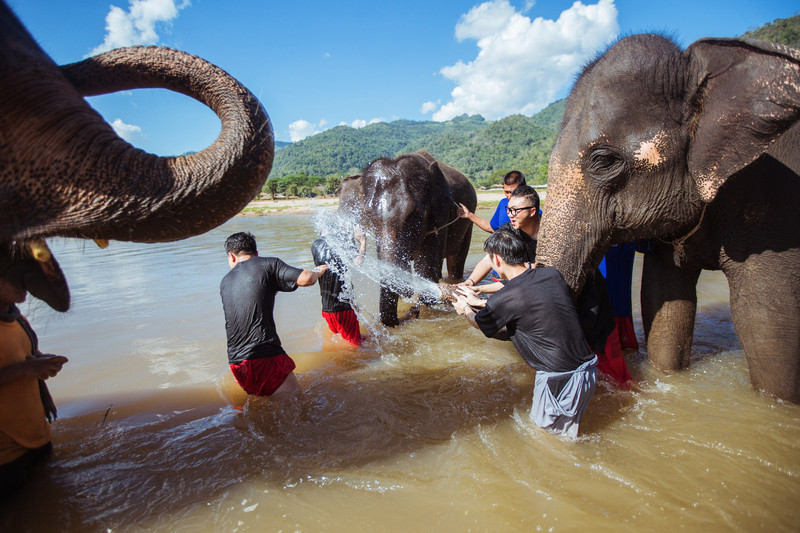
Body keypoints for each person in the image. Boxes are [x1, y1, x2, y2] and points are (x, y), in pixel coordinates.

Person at [452, 229, 598, 437]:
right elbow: (524, 294)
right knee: (564, 435)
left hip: (559, 380)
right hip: (587, 368)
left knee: (548, 441)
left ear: (498, 260)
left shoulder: (508, 297)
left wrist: (465, 307)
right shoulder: (551, 275)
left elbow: (479, 323)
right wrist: (481, 295)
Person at [220, 232, 328, 397]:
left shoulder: (225, 281)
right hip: (264, 355)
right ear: (256, 253)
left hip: (236, 362)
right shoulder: (267, 264)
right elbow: (307, 278)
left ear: (231, 256)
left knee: (263, 408)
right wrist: (317, 271)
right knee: (295, 404)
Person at [0, 272, 68, 498]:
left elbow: (27, 356)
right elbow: (24, 366)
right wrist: (27, 369)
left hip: (37, 434)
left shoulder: (18, 319)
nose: (26, 285)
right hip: (5, 453)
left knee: (50, 499)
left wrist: (43, 361)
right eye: (18, 277)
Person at [461, 184, 540, 291]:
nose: (510, 214)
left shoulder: (549, 233)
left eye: (516, 210)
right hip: (520, 281)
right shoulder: (508, 229)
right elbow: (490, 258)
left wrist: (525, 266)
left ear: (532, 212)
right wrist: (470, 282)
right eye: (509, 209)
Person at [311, 224, 366, 346]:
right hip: (343, 309)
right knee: (355, 348)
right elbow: (359, 262)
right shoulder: (341, 246)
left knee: (346, 339)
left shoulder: (315, 246)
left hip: (326, 309)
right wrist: (362, 242)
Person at [457, 170, 527, 234]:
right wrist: (469, 215)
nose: (509, 196)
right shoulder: (503, 203)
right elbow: (492, 228)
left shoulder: (531, 207)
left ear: (524, 187)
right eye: (506, 192)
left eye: (513, 192)